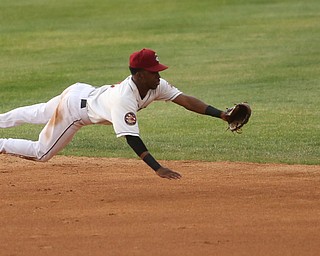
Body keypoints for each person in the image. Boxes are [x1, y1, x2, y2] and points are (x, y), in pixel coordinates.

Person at [0, 48, 228, 179]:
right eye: (153, 72)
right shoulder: (124, 99)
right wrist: (158, 168)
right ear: (139, 75)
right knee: (42, 152)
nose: (158, 76)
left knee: (38, 112)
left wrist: (222, 115)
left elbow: (186, 100)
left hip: (79, 92)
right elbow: (132, 138)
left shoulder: (155, 85)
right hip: (74, 111)